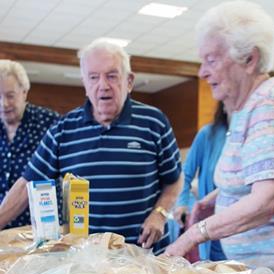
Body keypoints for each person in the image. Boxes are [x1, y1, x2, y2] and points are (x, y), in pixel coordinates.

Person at [166, 0, 274, 267]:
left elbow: (269, 198)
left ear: (250, 60)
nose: (202, 72)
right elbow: (257, 175)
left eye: (211, 60)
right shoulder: (250, 106)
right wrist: (214, 199)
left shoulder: (269, 107)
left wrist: (194, 235)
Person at [0, 39, 183, 255]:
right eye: (94, 77)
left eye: (112, 76)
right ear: (85, 84)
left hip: (145, 253)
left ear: (129, 81)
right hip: (87, 258)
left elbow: (174, 180)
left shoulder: (154, 122)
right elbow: (25, 185)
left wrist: (159, 214)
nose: (103, 85)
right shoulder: (63, 129)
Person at [0, 60, 60, 229]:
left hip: (40, 229)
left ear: (24, 92)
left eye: (10, 95)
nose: (3, 104)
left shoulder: (49, 122)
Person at [174, 101, 228, 261]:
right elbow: (186, 172)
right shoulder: (208, 134)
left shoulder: (251, 135)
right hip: (210, 225)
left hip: (243, 226)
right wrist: (182, 203)